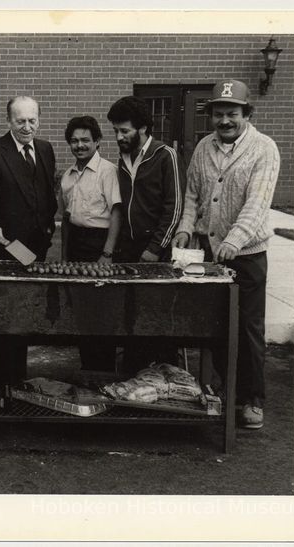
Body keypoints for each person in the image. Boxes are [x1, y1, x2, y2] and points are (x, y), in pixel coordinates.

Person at [172, 79, 279, 430]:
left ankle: (252, 400)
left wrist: (235, 240)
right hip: (207, 252)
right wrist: (186, 228)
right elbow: (192, 195)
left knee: (247, 328)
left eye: (232, 113)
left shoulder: (264, 148)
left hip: (245, 254)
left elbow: (257, 203)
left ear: (246, 113)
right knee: (213, 325)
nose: (225, 121)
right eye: (218, 114)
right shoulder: (204, 147)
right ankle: (225, 387)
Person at [0, 96, 58, 386]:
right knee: (7, 317)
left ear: (39, 119)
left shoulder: (46, 149)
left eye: (32, 120)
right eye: (20, 121)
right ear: (8, 121)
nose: (27, 127)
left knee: (27, 316)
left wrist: (48, 231)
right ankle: (3, 383)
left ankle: (19, 380)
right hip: (7, 247)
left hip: (36, 250)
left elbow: (49, 194)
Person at [107, 96, 186, 372]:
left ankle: (168, 380)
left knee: (159, 319)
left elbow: (174, 207)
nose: (118, 136)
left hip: (157, 253)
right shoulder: (122, 158)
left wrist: (155, 248)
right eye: (115, 130)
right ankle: (132, 378)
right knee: (131, 317)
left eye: (124, 131)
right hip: (128, 254)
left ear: (143, 129)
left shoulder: (166, 155)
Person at [60, 115, 121, 372]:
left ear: (97, 141)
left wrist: (107, 253)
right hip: (76, 243)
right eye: (74, 141)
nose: (80, 145)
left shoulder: (108, 171)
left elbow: (116, 212)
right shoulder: (68, 175)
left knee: (102, 314)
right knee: (81, 313)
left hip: (100, 244)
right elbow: (65, 217)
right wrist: (64, 256)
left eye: (85, 140)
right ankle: (88, 371)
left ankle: (104, 374)